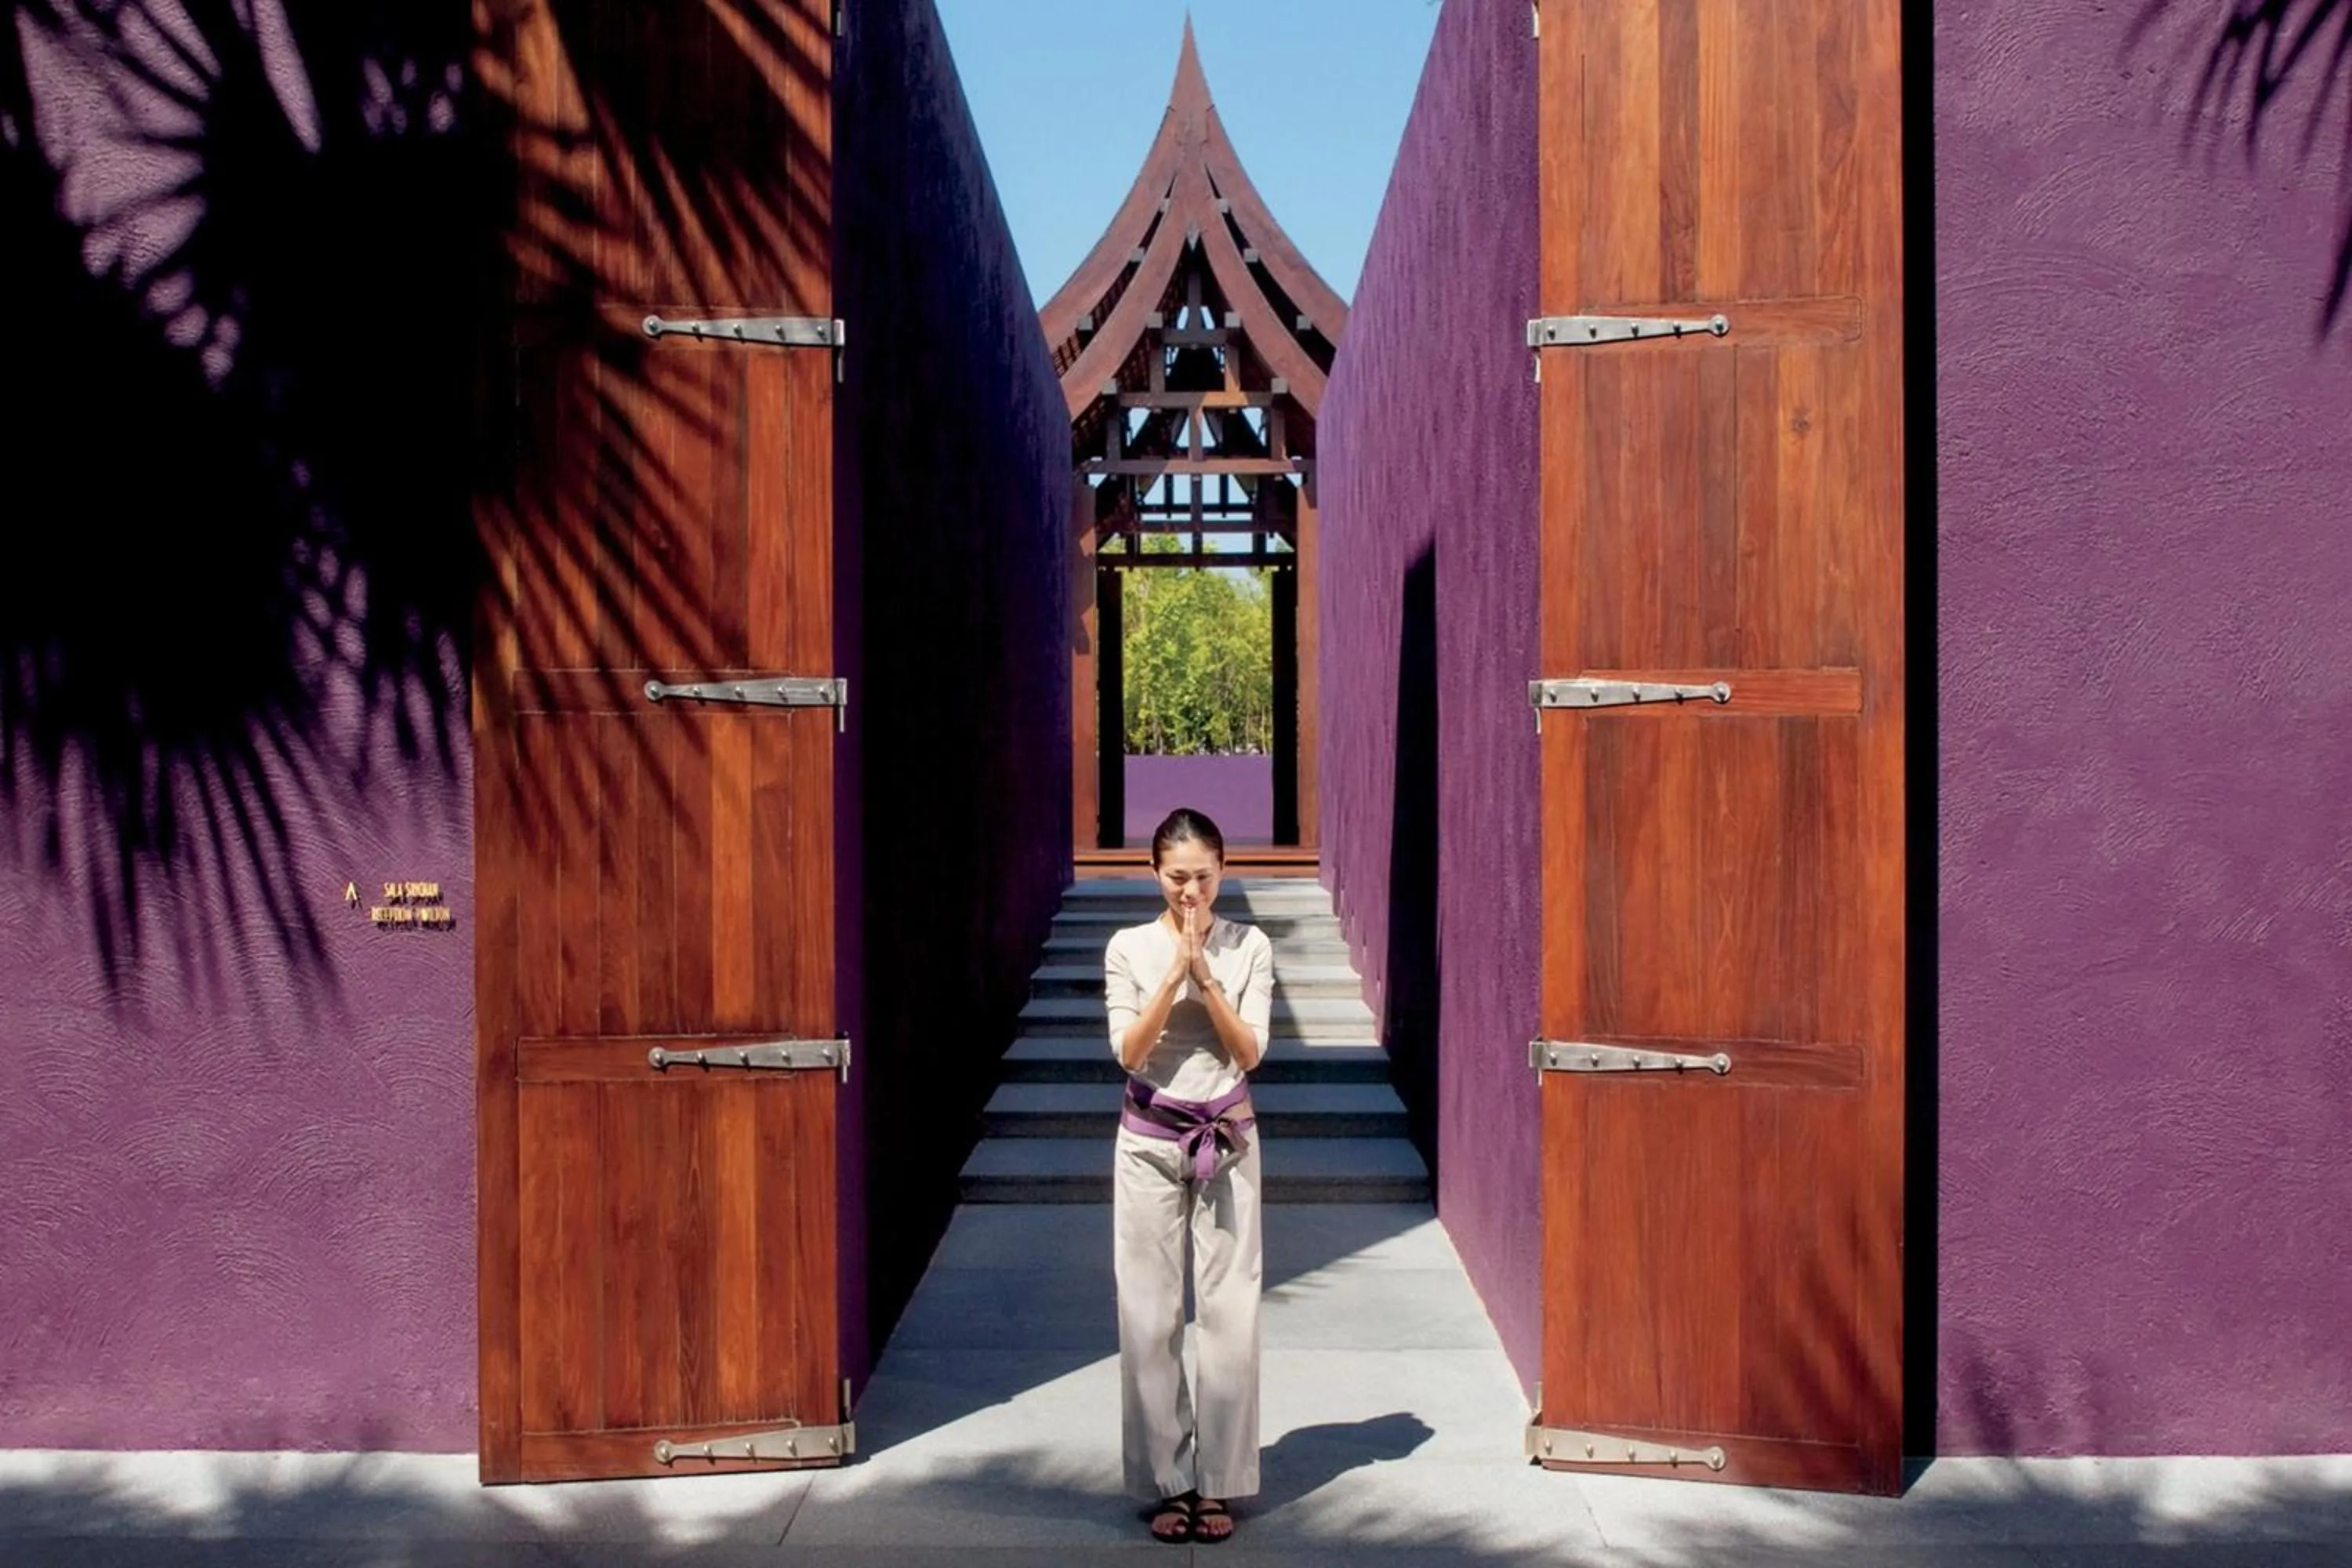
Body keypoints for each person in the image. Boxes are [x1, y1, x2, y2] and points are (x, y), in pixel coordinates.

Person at [1104, 807, 1274, 1545]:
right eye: (1177, 878)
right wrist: (1175, 966)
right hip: (1147, 1141)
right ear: (1154, 875)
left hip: (1227, 1136)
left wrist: (1207, 975)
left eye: (1203, 877)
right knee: (1148, 1316)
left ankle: (1222, 1483)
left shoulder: (1251, 945)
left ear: (1222, 871)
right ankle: (1166, 1480)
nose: (1191, 893)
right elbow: (1130, 1053)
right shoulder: (1128, 947)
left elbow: (1251, 1051)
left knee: (1229, 1314)